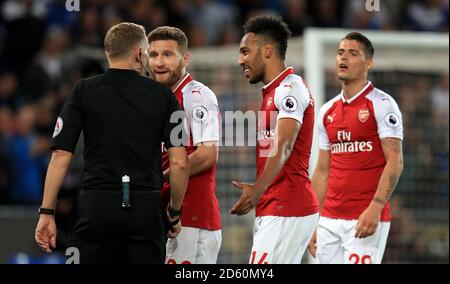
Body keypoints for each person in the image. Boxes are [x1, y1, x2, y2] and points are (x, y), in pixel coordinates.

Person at [34, 22, 189, 264]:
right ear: (139, 53)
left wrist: (47, 212)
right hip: (144, 207)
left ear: (108, 52)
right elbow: (179, 162)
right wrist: (174, 212)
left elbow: (60, 156)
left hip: (96, 207)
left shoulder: (83, 91)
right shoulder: (163, 96)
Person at [308, 32, 404, 264]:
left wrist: (377, 207)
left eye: (353, 54)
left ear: (368, 63)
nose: (344, 58)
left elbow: (395, 161)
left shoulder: (382, 104)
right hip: (328, 220)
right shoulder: (327, 111)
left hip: (364, 217)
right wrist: (310, 222)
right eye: (341, 52)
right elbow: (322, 171)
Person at [232, 15, 319, 264]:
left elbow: (285, 145)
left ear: (267, 50)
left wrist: (257, 189)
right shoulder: (271, 94)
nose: (241, 60)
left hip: (288, 205)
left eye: (245, 51)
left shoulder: (290, 89)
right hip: (277, 206)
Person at [147, 26, 222, 264]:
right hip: (168, 216)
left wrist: (160, 177)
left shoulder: (197, 95)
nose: (159, 62)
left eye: (168, 55)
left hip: (193, 217)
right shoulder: (158, 99)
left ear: (185, 59)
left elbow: (207, 154)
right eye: (154, 55)